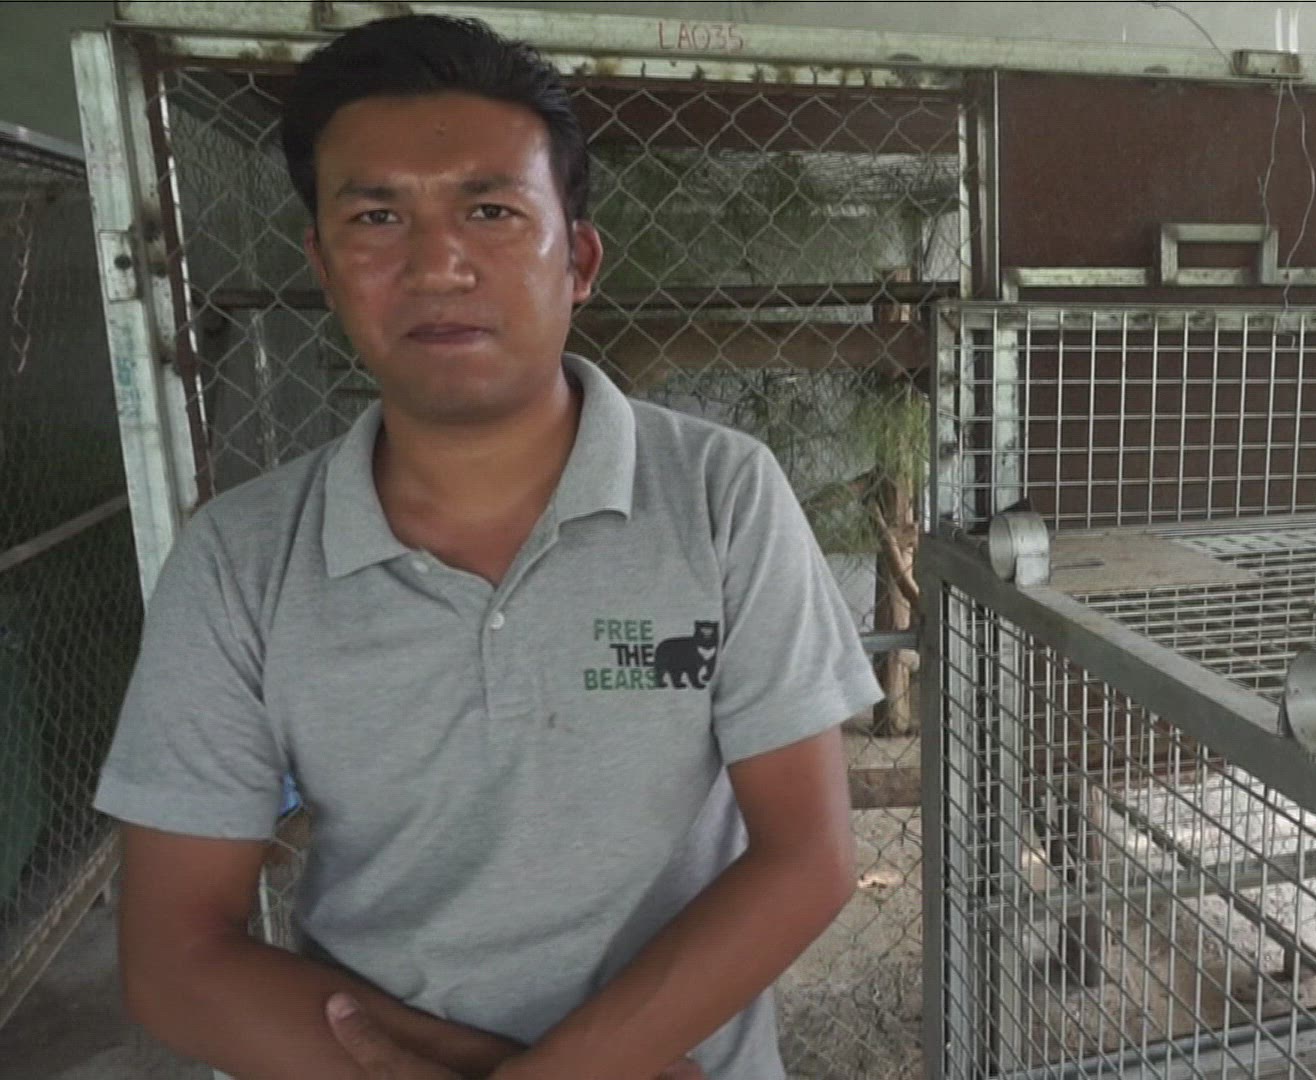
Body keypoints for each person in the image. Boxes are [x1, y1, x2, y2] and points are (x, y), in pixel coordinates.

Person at [92, 14, 883, 1079]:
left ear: (580, 260)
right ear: (324, 265)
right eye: (377, 216)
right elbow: (175, 955)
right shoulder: (239, 560)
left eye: (492, 211)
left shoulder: (720, 495)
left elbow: (808, 856)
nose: (437, 265)